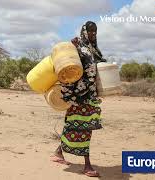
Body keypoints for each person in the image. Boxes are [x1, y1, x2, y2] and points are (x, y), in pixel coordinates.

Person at [51, 21, 106, 177]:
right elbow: (71, 69)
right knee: (84, 128)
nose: (93, 34)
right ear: (84, 32)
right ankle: (87, 165)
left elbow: (97, 68)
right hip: (79, 96)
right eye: (90, 31)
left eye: (95, 31)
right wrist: (73, 47)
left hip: (91, 96)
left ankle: (58, 153)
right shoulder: (78, 48)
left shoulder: (94, 49)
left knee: (74, 125)